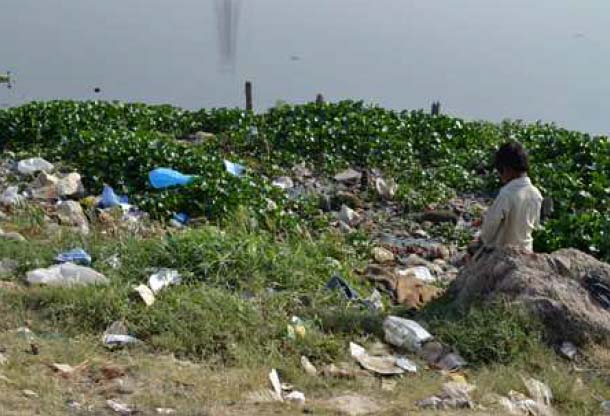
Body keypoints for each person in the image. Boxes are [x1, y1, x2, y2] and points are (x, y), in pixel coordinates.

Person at [478, 141, 543, 252]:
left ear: (507, 169)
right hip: (526, 250)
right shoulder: (536, 194)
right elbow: (534, 225)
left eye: (500, 171)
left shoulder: (507, 193)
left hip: (504, 253)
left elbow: (490, 228)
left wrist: (481, 240)